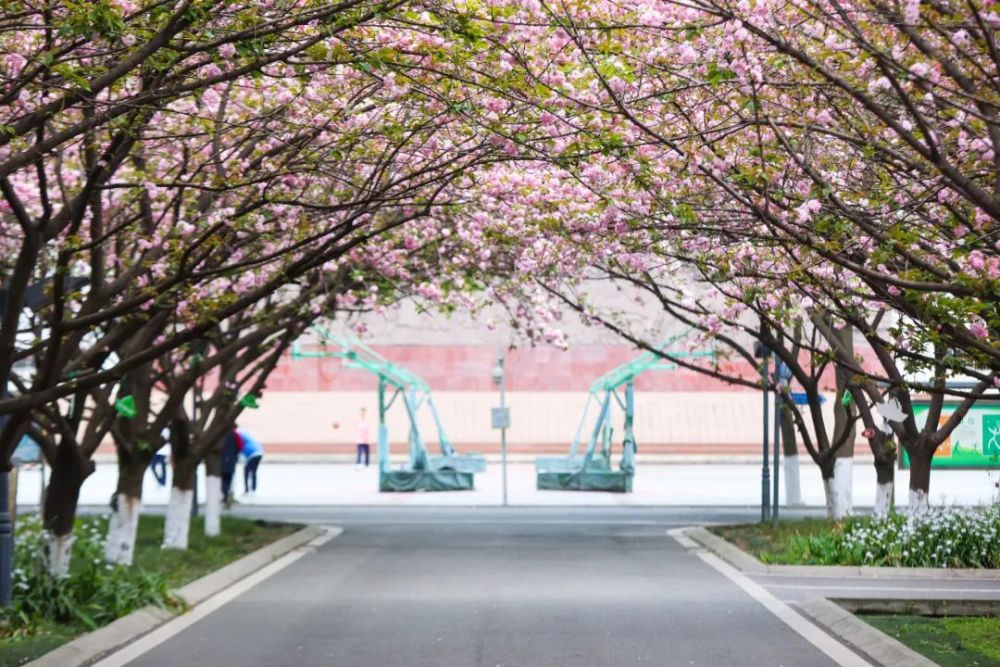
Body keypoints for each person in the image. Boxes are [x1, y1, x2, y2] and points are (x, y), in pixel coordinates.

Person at [220, 427, 243, 508]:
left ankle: (225, 494)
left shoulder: (219, 434)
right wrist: (235, 452)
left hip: (220, 460)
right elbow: (240, 445)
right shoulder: (235, 434)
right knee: (228, 479)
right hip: (231, 460)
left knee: (222, 479)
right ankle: (227, 494)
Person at [238, 428, 264, 496]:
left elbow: (240, 446)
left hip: (252, 454)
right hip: (259, 452)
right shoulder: (244, 434)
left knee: (246, 471)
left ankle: (247, 490)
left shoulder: (239, 435)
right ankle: (253, 489)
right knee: (253, 472)